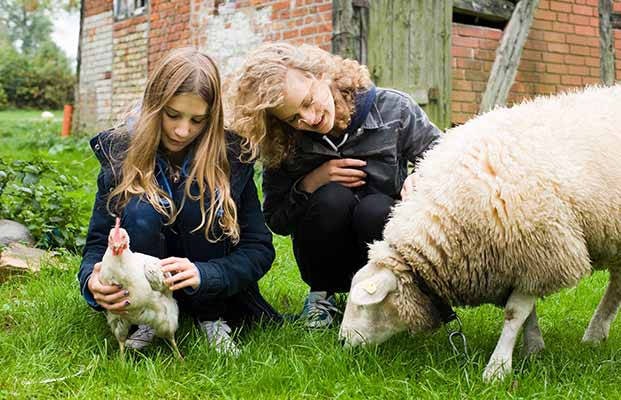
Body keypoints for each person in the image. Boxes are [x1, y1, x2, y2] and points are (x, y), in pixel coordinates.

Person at [77, 47, 279, 356]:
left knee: (201, 198)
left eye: (197, 120)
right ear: (154, 106)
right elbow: (96, 245)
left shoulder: (232, 157)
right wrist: (92, 281)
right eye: (172, 115)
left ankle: (211, 317)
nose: (183, 130)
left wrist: (206, 274)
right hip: (142, 297)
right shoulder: (120, 155)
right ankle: (146, 322)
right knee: (141, 208)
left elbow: (259, 248)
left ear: (212, 119)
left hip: (216, 294)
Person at [230, 43, 442, 328]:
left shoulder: (394, 108)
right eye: (293, 118)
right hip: (326, 258)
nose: (308, 119)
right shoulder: (285, 142)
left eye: (307, 101)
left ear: (321, 74)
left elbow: (446, 154)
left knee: (375, 208)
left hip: (383, 243)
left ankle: (397, 294)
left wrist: (425, 175)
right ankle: (321, 298)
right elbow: (277, 221)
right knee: (331, 198)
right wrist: (310, 183)